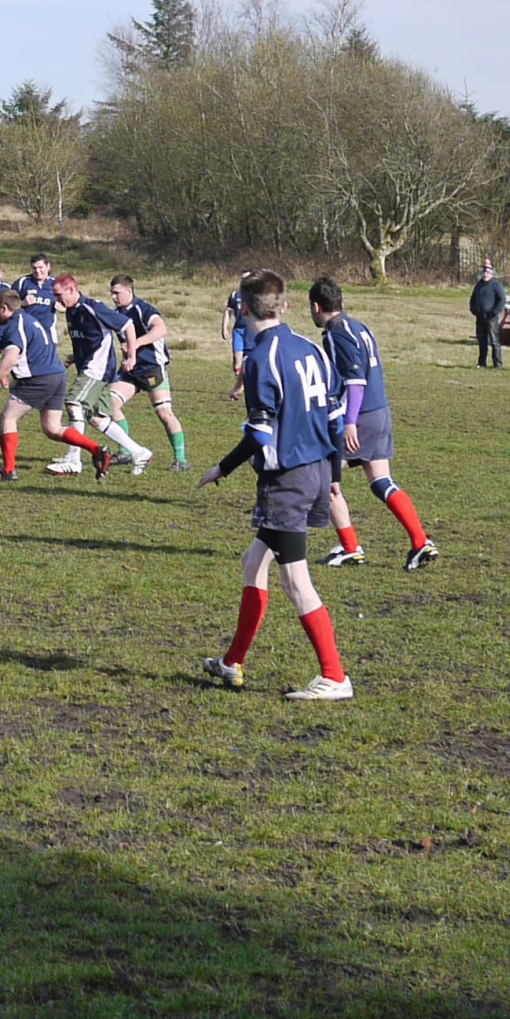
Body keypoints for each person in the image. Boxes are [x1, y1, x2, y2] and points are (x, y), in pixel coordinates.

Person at [195, 271, 353, 701]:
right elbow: (335, 418)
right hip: (317, 468)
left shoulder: (260, 359)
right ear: (282, 305)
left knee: (295, 581)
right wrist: (334, 476)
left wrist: (222, 468)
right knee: (253, 561)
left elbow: (261, 434)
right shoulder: (311, 348)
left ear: (242, 309)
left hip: (287, 480)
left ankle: (334, 676)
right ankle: (232, 662)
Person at [310, 276, 439, 572]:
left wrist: (350, 423)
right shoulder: (359, 327)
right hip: (380, 410)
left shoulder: (337, 333)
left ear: (316, 307)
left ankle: (350, 547)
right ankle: (420, 542)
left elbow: (355, 381)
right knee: (381, 481)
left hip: (359, 415)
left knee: (320, 475)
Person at [0, 288, 110, 483]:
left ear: (5, 308)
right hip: (56, 375)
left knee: (7, 418)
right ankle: (97, 450)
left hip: (39, 379)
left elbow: (11, 358)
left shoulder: (15, 325)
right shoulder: (28, 319)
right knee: (52, 428)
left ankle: (8, 471)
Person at [46, 274, 152, 476]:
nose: (57, 301)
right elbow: (89, 339)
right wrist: (75, 356)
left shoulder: (93, 308)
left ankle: (73, 460)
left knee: (73, 404)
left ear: (72, 289)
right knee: (96, 417)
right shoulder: (71, 311)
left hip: (97, 368)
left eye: (59, 295)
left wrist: (131, 356)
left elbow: (127, 326)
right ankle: (139, 452)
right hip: (90, 366)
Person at [108, 274, 189, 469]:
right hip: (130, 370)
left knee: (164, 413)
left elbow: (160, 329)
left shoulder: (143, 309)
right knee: (110, 405)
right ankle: (125, 451)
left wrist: (135, 344)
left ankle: (181, 459)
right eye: (111, 293)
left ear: (130, 291)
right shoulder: (115, 313)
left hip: (152, 368)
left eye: (117, 293)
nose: (113, 297)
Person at [221, 271, 256, 399]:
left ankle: (243, 387)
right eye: (242, 279)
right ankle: (241, 384)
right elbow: (228, 312)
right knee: (237, 361)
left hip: (251, 331)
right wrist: (224, 328)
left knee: (250, 360)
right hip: (239, 330)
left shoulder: (256, 295)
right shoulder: (235, 295)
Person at [469, 264, 505, 368]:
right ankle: (482, 362)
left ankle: (497, 363)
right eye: (484, 272)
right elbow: (473, 298)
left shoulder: (496, 285)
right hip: (480, 317)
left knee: (494, 341)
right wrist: (473, 309)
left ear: (492, 274)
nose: (485, 275)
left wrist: (494, 312)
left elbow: (501, 300)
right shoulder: (479, 285)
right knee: (482, 340)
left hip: (491, 318)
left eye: (488, 273)